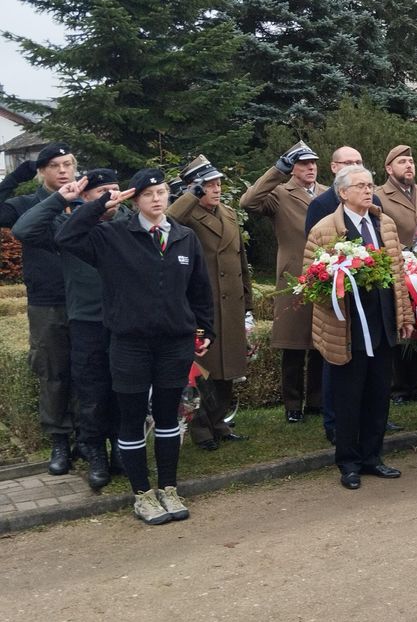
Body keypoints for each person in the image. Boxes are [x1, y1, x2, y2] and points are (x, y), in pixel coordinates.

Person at [57, 169, 213, 525]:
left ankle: (169, 488)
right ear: (135, 200)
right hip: (130, 343)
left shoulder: (185, 237)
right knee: (131, 419)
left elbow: (199, 291)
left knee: (167, 417)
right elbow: (67, 237)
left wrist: (205, 330)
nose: (157, 199)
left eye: (162, 192)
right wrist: (99, 205)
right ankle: (142, 493)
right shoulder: (111, 236)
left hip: (174, 342)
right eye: (147, 194)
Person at [12, 169, 123, 488]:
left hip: (123, 320)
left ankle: (120, 447)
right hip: (86, 320)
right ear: (85, 197)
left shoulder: (127, 222)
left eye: (116, 190)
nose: (112, 197)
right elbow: (23, 229)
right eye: (103, 192)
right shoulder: (67, 226)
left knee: (123, 388)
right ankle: (95, 451)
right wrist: (62, 197)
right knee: (90, 392)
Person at [305, 165, 414, 490]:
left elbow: (397, 274)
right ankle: (348, 463)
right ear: (343, 192)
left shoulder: (385, 223)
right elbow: (311, 281)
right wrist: (333, 282)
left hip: (381, 324)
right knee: (348, 398)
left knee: (379, 395)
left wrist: (404, 316)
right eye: (361, 186)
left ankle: (373, 457)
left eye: (370, 185)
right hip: (346, 328)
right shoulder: (326, 230)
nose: (369, 191)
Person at [169, 155, 254, 448]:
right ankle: (202, 429)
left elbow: (241, 260)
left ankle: (219, 423)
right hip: (203, 305)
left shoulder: (228, 213)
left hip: (231, 304)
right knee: (205, 371)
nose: (216, 189)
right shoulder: (187, 215)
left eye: (218, 183)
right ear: (194, 188)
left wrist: (249, 303)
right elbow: (167, 221)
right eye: (208, 184)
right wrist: (188, 195)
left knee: (229, 367)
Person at [2, 144, 77, 474]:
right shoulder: (25, 205)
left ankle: (91, 438)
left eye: (69, 164)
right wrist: (18, 172)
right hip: (48, 302)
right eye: (56, 165)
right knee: (54, 373)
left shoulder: (84, 201)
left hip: (88, 301)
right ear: (42, 171)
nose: (63, 171)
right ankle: (60, 440)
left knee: (91, 370)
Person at [240, 142, 326, 424]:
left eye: (313, 163)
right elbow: (248, 202)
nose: (310, 167)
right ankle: (292, 404)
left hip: (326, 270)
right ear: (293, 168)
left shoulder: (327, 193)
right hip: (294, 275)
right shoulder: (279, 192)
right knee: (292, 343)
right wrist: (277, 171)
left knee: (320, 341)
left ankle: (316, 400)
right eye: (303, 163)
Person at [378, 145, 417, 405]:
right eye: (402, 162)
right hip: (397, 266)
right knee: (402, 323)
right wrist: (405, 252)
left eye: (411, 161)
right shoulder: (380, 195)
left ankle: (416, 384)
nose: (409, 166)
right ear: (389, 169)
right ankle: (398, 387)